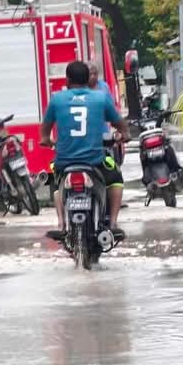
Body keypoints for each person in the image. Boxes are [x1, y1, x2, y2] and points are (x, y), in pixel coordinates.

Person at [41, 61, 128, 241]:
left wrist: (46, 140)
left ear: (67, 80)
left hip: (64, 162)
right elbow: (119, 122)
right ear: (88, 79)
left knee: (56, 182)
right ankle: (113, 224)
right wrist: (125, 134)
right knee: (116, 178)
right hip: (94, 160)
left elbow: (45, 127)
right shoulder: (100, 98)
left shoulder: (57, 99)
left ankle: (61, 224)